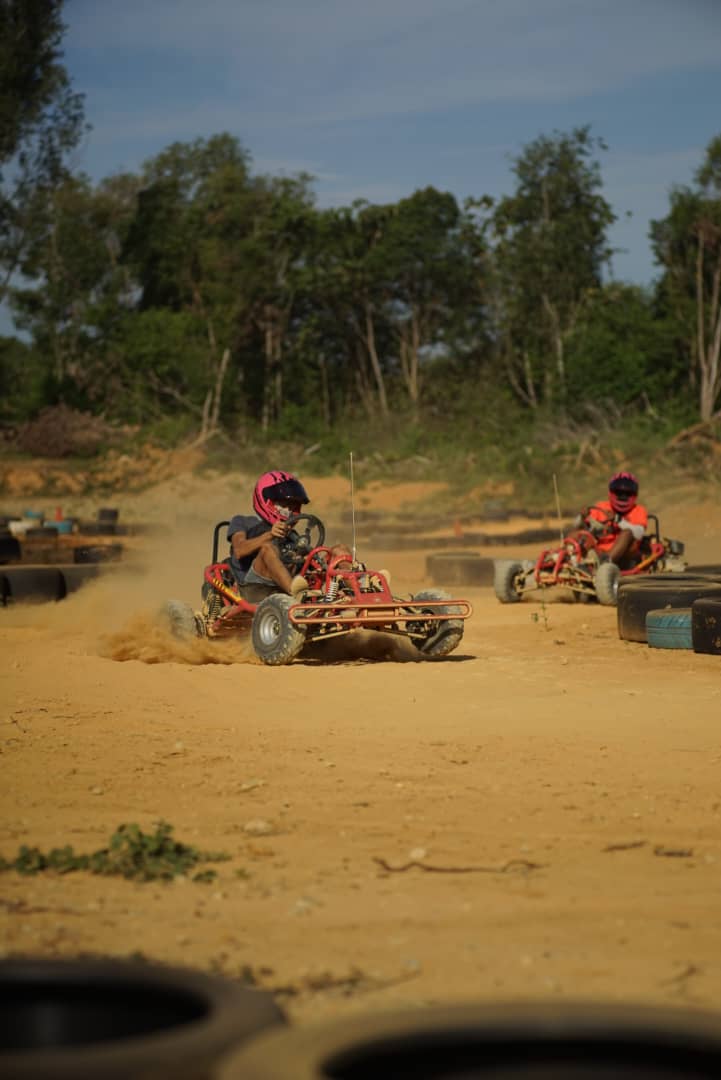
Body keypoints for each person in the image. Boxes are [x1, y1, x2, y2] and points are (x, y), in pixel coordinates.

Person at [227, 470, 312, 603]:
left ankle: (346, 594)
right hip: (253, 589)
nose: (288, 511)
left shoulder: (292, 535)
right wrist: (270, 535)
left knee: (336, 551)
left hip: (281, 586)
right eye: (284, 505)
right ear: (267, 502)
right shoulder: (243, 522)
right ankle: (298, 596)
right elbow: (239, 550)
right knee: (268, 549)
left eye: (292, 506)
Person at [582, 471, 648, 567]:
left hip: (626, 556)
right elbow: (587, 527)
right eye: (619, 493)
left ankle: (604, 564)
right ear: (611, 492)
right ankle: (566, 559)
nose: (623, 497)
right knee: (578, 533)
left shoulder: (639, 510)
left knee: (627, 532)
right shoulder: (601, 507)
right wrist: (583, 517)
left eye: (627, 493)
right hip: (600, 552)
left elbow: (639, 533)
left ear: (634, 495)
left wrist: (618, 520)